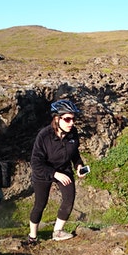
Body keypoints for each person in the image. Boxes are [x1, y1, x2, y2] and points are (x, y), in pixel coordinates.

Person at [28, 99, 88, 243]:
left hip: (64, 169)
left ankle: (58, 232)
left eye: (73, 119)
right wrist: (54, 174)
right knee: (40, 204)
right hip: (43, 171)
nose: (71, 123)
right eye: (67, 119)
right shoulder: (44, 136)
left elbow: (75, 154)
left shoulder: (73, 133)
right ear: (57, 118)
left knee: (69, 199)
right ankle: (32, 237)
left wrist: (79, 166)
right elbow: (36, 162)